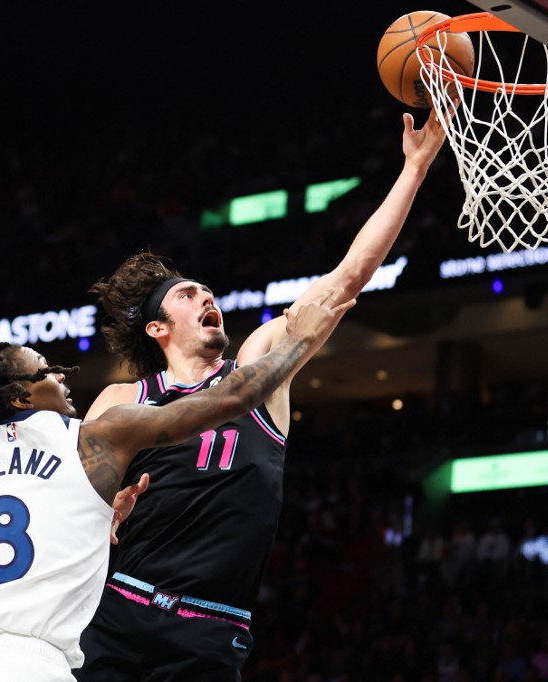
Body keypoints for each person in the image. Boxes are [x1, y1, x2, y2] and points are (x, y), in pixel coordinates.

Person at [78, 111, 447, 680]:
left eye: (208, 292)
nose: (207, 297)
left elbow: (349, 275)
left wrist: (414, 168)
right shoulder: (123, 398)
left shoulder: (257, 369)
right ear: (157, 329)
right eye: (187, 295)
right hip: (119, 607)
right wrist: (99, 513)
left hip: (208, 625)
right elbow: (69, 499)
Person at [0, 289, 352, 682]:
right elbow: (233, 396)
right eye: (46, 370)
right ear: (21, 397)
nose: (61, 374)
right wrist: (300, 340)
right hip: (33, 662)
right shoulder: (91, 442)